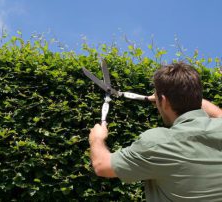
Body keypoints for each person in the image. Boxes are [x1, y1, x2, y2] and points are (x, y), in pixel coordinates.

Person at [89, 62, 222, 201]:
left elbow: (101, 165)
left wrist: (96, 139)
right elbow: (218, 113)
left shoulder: (158, 143)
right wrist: (179, 97)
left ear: (163, 101)